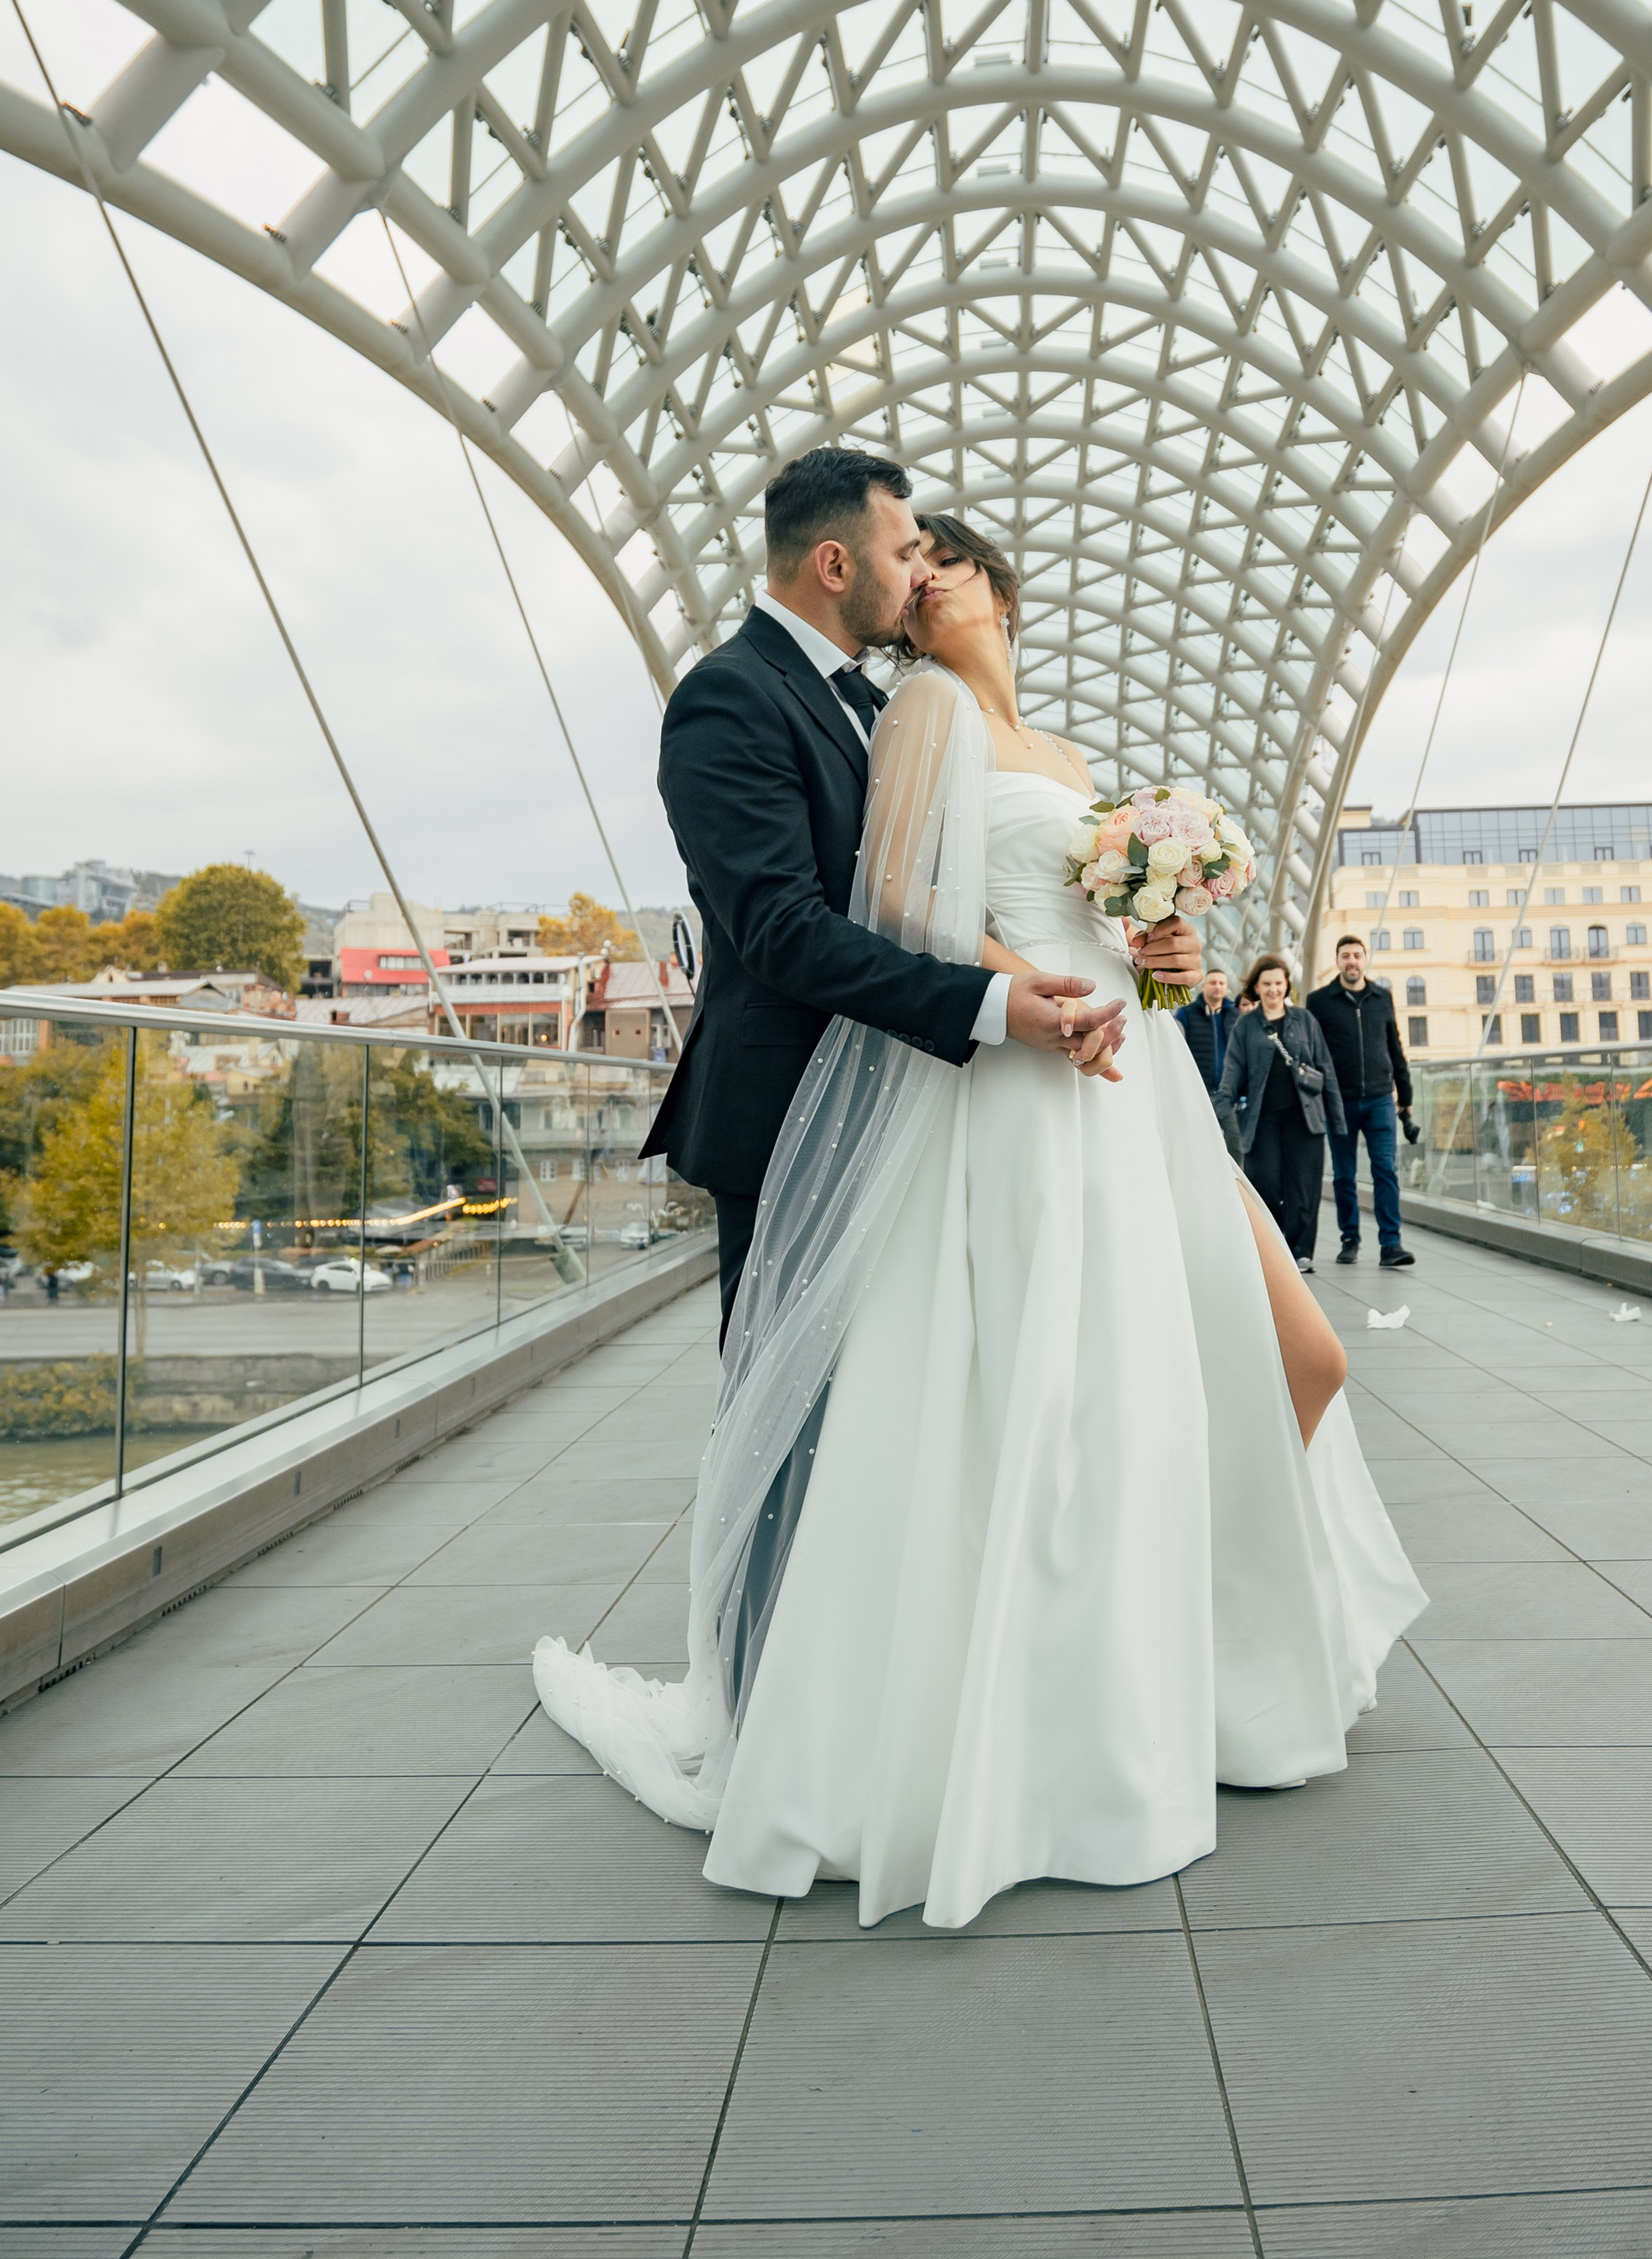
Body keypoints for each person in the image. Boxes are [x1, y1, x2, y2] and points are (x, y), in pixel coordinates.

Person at [537, 514, 1425, 1931]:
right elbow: (905, 903)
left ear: (999, 589)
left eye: (942, 559)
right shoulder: (923, 713)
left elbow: (1121, 947)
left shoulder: (1065, 758)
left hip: (1134, 1083)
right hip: (1026, 1078)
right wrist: (1040, 998)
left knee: (1275, 1363)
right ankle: (1064, 1726)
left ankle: (1189, 1667)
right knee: (1065, 1407)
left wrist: (1163, 955)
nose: (921, 579)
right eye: (909, 563)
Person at [639, 447, 1145, 1342]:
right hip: (788, 1114)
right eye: (906, 551)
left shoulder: (881, 709)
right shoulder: (729, 697)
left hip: (905, 1105)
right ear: (835, 565)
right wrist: (994, 999)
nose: (919, 574)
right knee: (794, 1400)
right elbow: (783, 930)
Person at [1216, 956, 1338, 1270]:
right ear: (1256, 987)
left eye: (1278, 983)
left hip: (1304, 1119)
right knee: (1265, 1183)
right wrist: (1215, 1116)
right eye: (1267, 984)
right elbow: (1232, 1075)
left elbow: (1325, 1068)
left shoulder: (1305, 1020)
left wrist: (1337, 1120)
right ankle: (1278, 1242)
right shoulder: (1246, 1026)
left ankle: (1301, 1251)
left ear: (1287, 986)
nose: (1273, 989)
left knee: (1303, 1188)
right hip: (1263, 1120)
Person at [1307, 933, 1417, 1270]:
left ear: (1365, 959)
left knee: (1385, 1170)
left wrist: (1405, 1097)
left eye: (1357, 955)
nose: (1351, 961)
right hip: (1339, 1101)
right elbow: (1313, 1053)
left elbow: (1394, 1046)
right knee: (1344, 1174)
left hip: (1381, 1099)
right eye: (1345, 956)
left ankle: (1391, 1244)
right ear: (1337, 961)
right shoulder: (1319, 1001)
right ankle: (1350, 1239)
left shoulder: (1382, 997)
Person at [1175, 968, 1234, 1102]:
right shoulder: (1186, 1013)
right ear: (1203, 987)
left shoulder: (1235, 1016)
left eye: (1222, 983)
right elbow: (1176, 1050)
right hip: (1195, 1093)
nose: (1218, 987)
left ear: (1226, 987)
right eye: (1213, 983)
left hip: (1227, 1097)